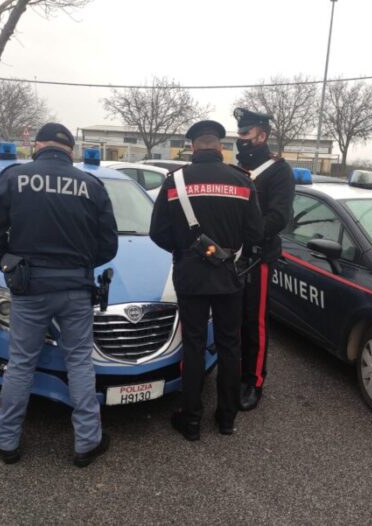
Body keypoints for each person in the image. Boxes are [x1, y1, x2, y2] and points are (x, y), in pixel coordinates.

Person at [0, 123, 118, 467]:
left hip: (30, 288)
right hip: (75, 289)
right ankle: (87, 441)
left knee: (21, 363)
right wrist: (81, 263)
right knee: (80, 363)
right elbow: (108, 245)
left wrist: (9, 264)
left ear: (37, 145)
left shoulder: (14, 178)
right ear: (70, 149)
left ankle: (6, 439)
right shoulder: (92, 184)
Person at [150, 120, 263, 440]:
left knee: (194, 345)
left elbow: (157, 232)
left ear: (192, 147)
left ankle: (191, 420)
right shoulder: (242, 182)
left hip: (190, 277)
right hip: (229, 275)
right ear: (220, 147)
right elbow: (256, 233)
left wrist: (185, 251)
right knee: (230, 345)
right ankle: (227, 418)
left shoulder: (175, 182)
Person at [234, 107, 295, 411]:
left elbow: (279, 217)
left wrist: (246, 233)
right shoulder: (235, 169)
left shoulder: (278, 170)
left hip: (258, 257)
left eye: (245, 134)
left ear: (262, 135)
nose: (240, 139)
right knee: (231, 319)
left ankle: (254, 380)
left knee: (253, 322)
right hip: (230, 256)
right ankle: (234, 371)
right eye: (239, 134)